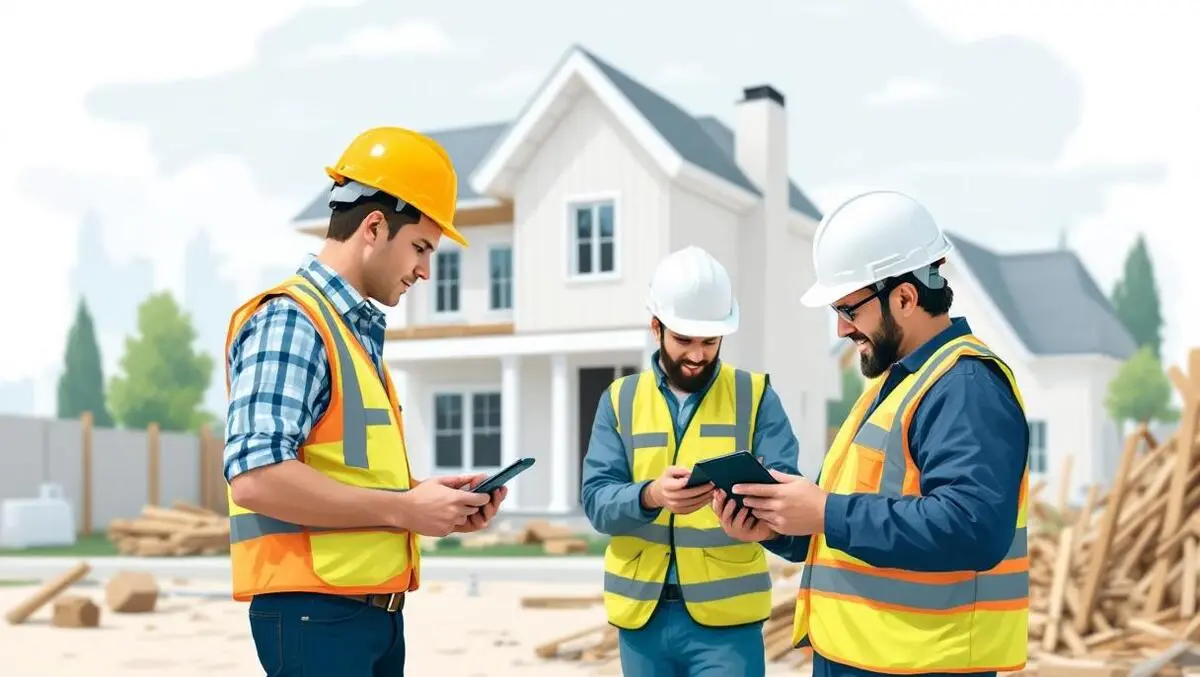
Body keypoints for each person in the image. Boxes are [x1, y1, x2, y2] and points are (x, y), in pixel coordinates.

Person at [222, 126, 508, 677]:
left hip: (363, 614)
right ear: (374, 227)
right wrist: (403, 509)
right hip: (315, 614)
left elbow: (343, 472)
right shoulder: (292, 320)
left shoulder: (350, 333)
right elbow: (255, 475)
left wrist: (425, 501)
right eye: (421, 247)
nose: (426, 270)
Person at [713, 190, 1030, 677]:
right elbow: (840, 524)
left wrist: (824, 510)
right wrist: (777, 527)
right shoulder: (893, 388)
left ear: (904, 297)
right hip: (862, 658)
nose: (841, 331)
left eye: (849, 310)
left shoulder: (964, 386)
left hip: (922, 665)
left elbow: (974, 528)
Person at [580, 245, 809, 677]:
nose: (698, 354)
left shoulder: (756, 397)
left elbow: (791, 509)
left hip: (728, 625)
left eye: (710, 341)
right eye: (684, 339)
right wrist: (650, 495)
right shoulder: (619, 400)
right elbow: (596, 502)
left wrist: (763, 523)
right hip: (641, 621)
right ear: (656, 327)